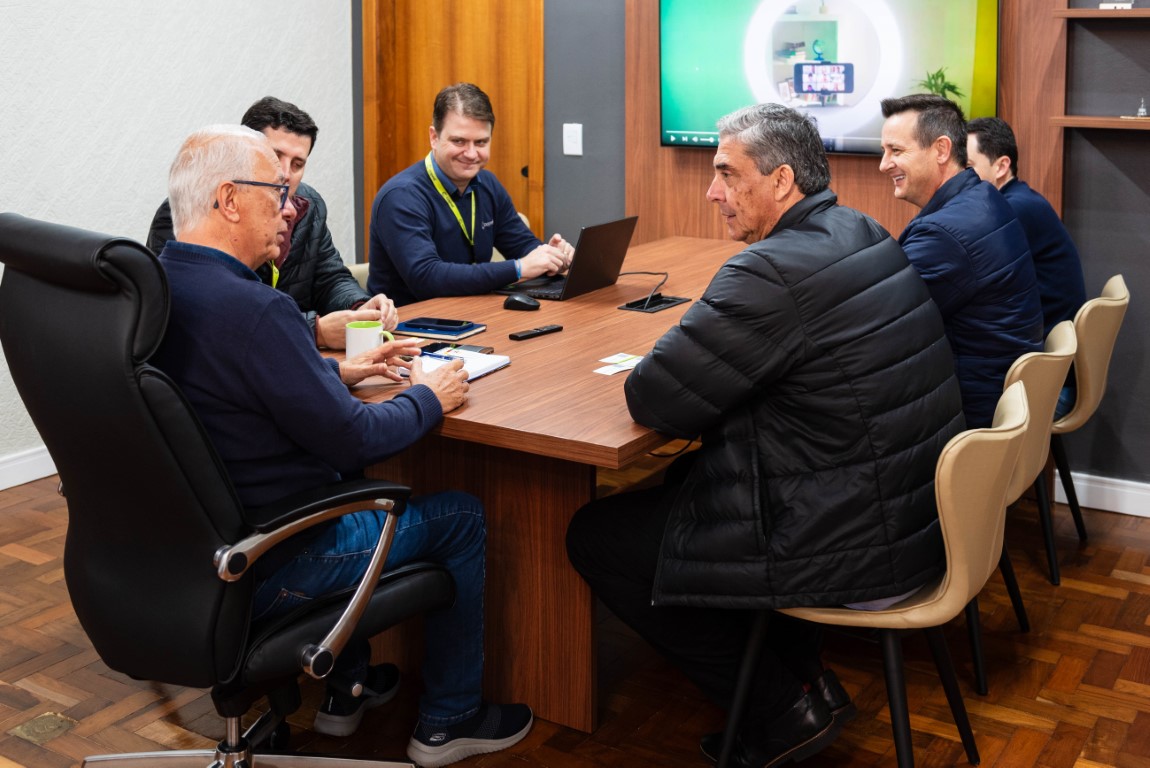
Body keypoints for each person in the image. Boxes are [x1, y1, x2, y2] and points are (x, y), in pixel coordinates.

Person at [565, 104, 965, 768]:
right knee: (682, 485)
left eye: (726, 173)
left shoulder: (769, 272)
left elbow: (656, 396)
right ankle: (806, 682)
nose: (711, 191)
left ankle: (781, 709)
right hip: (906, 514)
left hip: (851, 536)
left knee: (597, 535)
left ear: (782, 181)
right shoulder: (861, 227)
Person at [150, 124, 532, 768]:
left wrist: (334, 370)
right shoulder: (257, 310)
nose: (292, 205)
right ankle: (450, 719)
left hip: (186, 553)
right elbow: (356, 434)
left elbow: (230, 384)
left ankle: (351, 684)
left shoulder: (158, 287)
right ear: (229, 200)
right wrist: (430, 396)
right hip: (277, 557)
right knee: (461, 515)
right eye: (277, 191)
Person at [148, 96, 395, 350]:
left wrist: (358, 307)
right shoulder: (193, 211)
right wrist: (314, 330)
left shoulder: (310, 205)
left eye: (297, 164)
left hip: (292, 355)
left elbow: (330, 278)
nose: (286, 174)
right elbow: (197, 313)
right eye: (276, 156)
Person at [880, 94, 1044, 428]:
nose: (884, 164)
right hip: (998, 394)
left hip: (970, 413)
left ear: (940, 150)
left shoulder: (945, 233)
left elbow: (883, 326)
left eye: (896, 151)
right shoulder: (984, 197)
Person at [367, 82, 574, 305]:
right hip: (409, 326)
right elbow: (427, 278)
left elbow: (522, 245)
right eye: (459, 141)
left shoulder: (487, 183)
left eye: (481, 142)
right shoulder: (401, 196)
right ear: (434, 137)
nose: (471, 153)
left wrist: (552, 257)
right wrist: (519, 268)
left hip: (471, 311)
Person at [966, 116, 1087, 418]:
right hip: (1049, 372)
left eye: (967, 168)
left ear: (1001, 166)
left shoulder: (1010, 211)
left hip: (1047, 389)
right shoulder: (1021, 200)